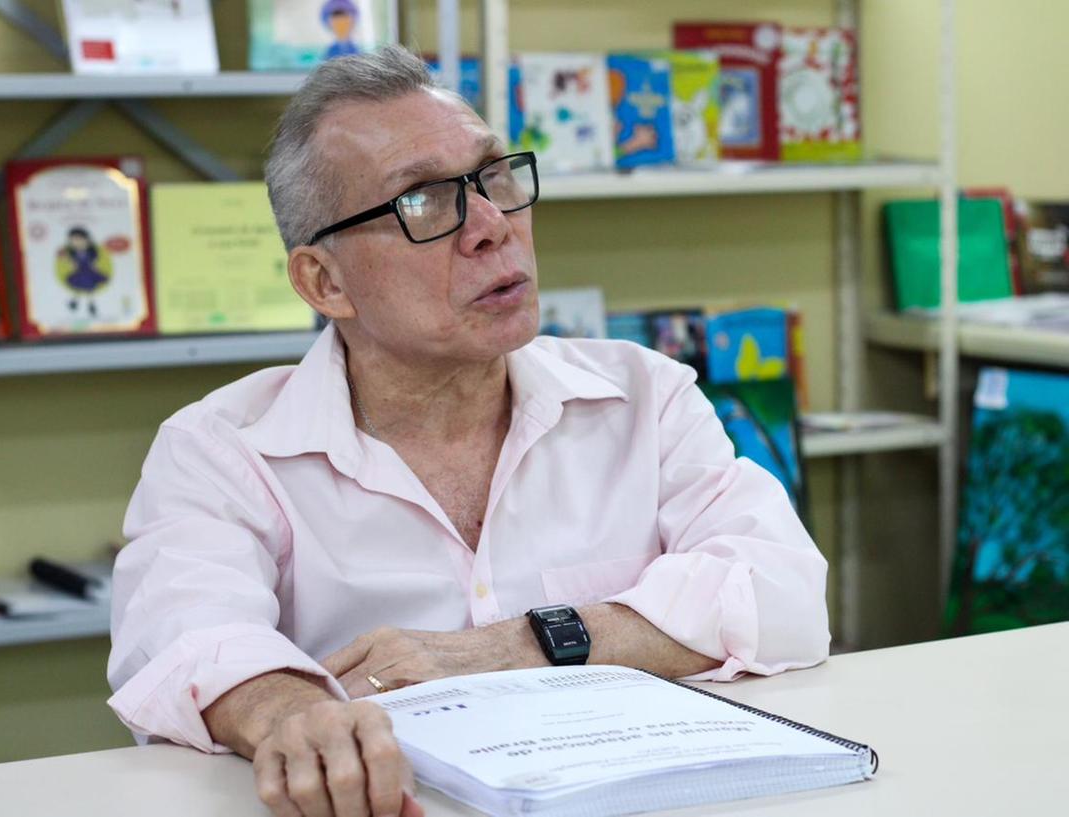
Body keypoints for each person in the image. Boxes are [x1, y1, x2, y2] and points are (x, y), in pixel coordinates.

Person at [107, 45, 829, 817]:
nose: (491, 226)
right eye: (422, 201)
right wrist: (296, 717)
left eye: (493, 179)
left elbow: (783, 594)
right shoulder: (221, 448)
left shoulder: (643, 394)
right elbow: (184, 636)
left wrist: (521, 644)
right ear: (325, 281)